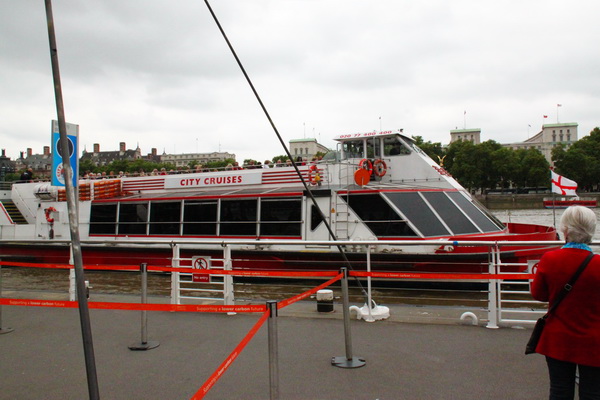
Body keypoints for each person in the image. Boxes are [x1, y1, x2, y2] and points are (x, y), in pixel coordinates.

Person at [530, 206, 600, 400]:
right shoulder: (598, 263)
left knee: (560, 389)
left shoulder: (550, 259)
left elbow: (538, 294)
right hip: (594, 340)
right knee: (593, 392)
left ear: (565, 230)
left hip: (558, 338)